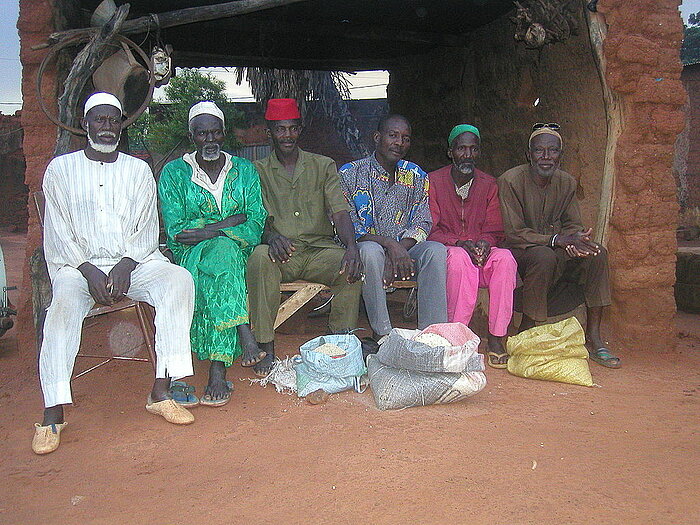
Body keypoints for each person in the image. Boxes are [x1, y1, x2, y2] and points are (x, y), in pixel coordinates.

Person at [33, 92, 196, 455]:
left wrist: (126, 264)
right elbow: (57, 232)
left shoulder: (137, 169)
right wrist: (89, 271)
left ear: (122, 125)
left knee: (178, 280)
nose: (107, 127)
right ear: (85, 123)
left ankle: (162, 389)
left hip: (132, 263)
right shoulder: (60, 170)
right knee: (61, 306)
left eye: (114, 120)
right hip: (79, 267)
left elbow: (146, 227)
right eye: (100, 120)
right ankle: (52, 410)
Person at [158, 101, 268, 406]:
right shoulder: (174, 173)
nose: (210, 140)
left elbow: (256, 219)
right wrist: (229, 223)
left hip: (240, 252)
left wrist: (210, 230)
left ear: (224, 135)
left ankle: (222, 369)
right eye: (203, 134)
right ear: (192, 135)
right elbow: (178, 231)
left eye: (216, 133)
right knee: (221, 255)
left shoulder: (244, 170)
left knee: (223, 258)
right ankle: (233, 350)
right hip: (191, 256)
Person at [247, 98, 363, 376]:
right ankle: (265, 344)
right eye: (280, 130)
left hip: (318, 251)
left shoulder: (323, 166)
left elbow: (339, 211)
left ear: (300, 131)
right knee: (259, 258)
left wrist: (351, 246)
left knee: (349, 265)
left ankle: (340, 343)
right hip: (281, 254)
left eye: (292, 129)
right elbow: (253, 215)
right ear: (269, 133)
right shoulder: (256, 170)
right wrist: (270, 235)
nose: (287, 135)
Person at [498, 123, 620, 368]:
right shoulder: (510, 181)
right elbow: (514, 233)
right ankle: (527, 329)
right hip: (521, 252)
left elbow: (572, 224)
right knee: (544, 256)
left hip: (556, 249)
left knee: (597, 253)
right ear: (528, 154)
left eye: (552, 151)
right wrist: (556, 240)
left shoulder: (566, 183)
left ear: (560, 156)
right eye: (539, 151)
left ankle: (594, 337)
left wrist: (576, 241)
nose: (546, 157)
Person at [339, 114, 447, 340]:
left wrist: (399, 249)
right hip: (370, 250)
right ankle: (384, 334)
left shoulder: (416, 175)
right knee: (370, 251)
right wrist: (390, 246)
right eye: (393, 135)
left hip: (405, 252)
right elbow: (350, 225)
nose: (400, 143)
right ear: (377, 137)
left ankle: (432, 335)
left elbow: (422, 221)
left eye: (406, 138)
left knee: (436, 251)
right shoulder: (350, 174)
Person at [427, 125, 517, 368]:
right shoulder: (433, 181)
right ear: (450, 152)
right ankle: (458, 335)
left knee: (506, 259)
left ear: (478, 153)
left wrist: (485, 243)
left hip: (480, 252)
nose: (467, 154)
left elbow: (495, 227)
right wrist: (457, 242)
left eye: (473, 149)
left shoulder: (489, 184)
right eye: (461, 149)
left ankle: (497, 337)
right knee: (458, 258)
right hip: (451, 249)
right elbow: (429, 228)